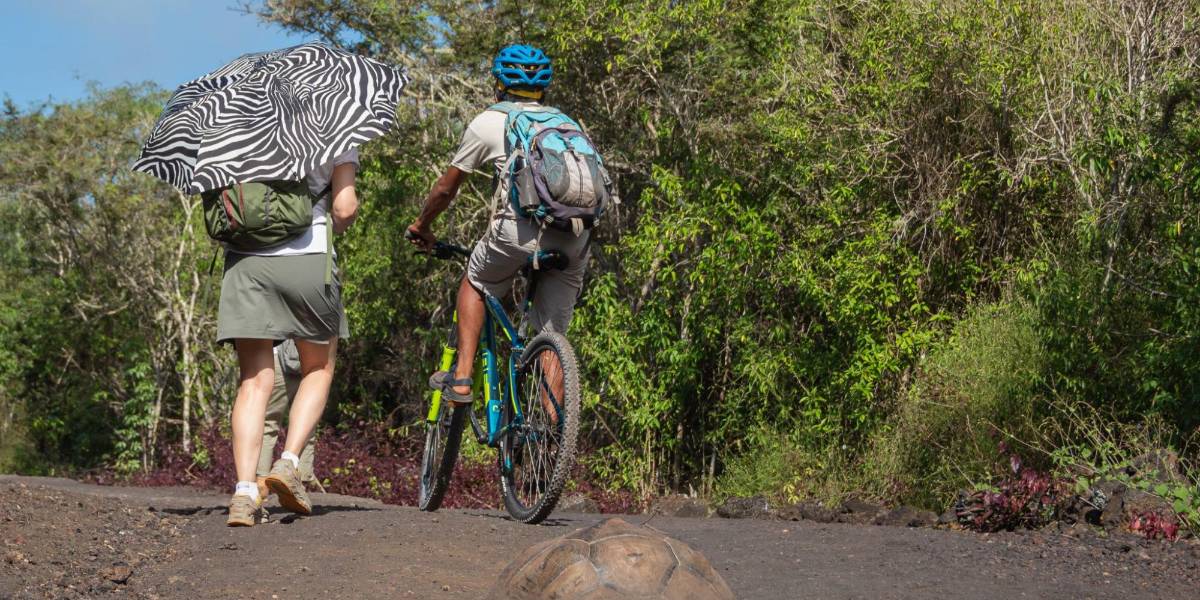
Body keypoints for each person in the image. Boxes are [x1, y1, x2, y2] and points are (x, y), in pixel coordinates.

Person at [406, 44, 587, 407]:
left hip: (517, 234)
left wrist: (422, 224)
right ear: (544, 88)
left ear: (499, 83)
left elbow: (445, 189)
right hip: (574, 237)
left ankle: (461, 377)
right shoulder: (567, 123)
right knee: (552, 335)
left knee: (476, 281)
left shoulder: (489, 121)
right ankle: (552, 443)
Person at [222, 149, 359, 527]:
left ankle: (244, 494)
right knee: (318, 367)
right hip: (308, 255)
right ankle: (289, 462)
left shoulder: (235, 120)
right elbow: (344, 208)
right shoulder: (335, 122)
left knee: (254, 381)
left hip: (246, 261)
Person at [254, 339, 325, 502]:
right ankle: (299, 482)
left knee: (269, 422)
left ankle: (262, 484)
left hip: (276, 357)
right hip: (310, 356)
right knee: (307, 421)